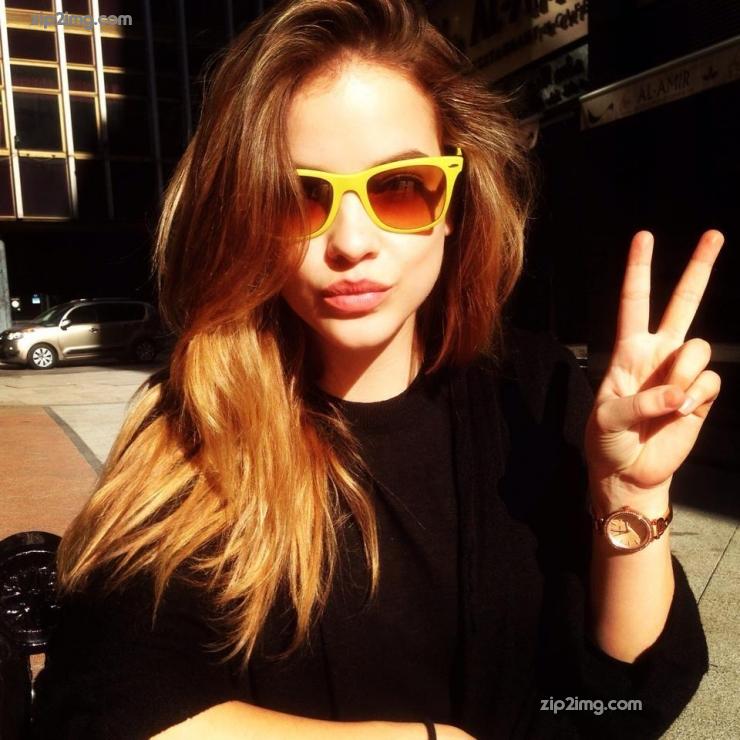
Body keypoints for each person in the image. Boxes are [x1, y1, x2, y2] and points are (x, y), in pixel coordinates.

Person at [30, 1, 723, 738]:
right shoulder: (194, 423)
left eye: (399, 186)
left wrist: (630, 495)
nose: (351, 241)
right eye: (297, 197)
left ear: (451, 203)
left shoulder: (533, 386)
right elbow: (102, 705)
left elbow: (622, 700)